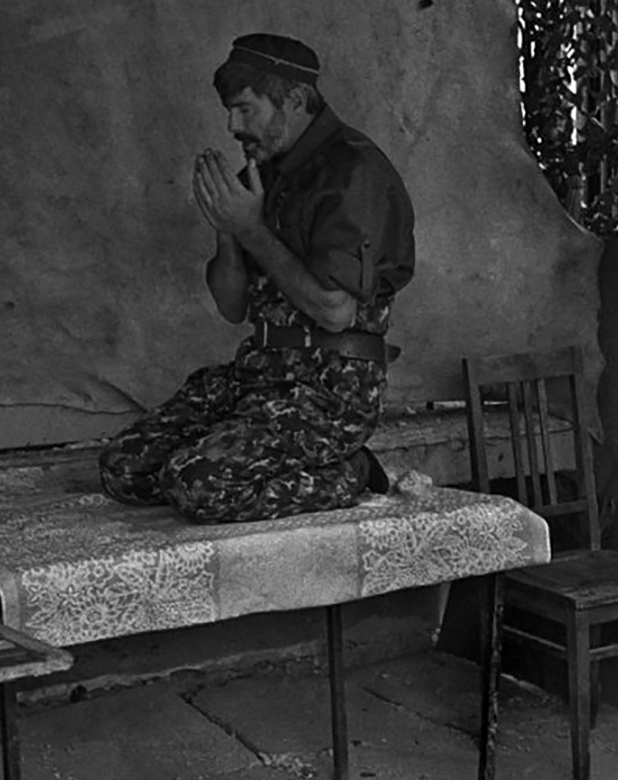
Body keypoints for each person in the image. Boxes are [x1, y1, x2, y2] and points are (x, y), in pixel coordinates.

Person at [98, 33, 416, 523]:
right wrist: (229, 230)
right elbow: (232, 307)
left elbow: (335, 310)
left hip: (328, 388)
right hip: (258, 377)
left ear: (293, 100)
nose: (232, 125)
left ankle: (350, 470)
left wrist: (251, 227)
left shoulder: (352, 172)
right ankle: (264, 458)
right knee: (125, 470)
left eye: (246, 110)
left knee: (198, 487)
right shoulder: (264, 173)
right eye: (229, 111)